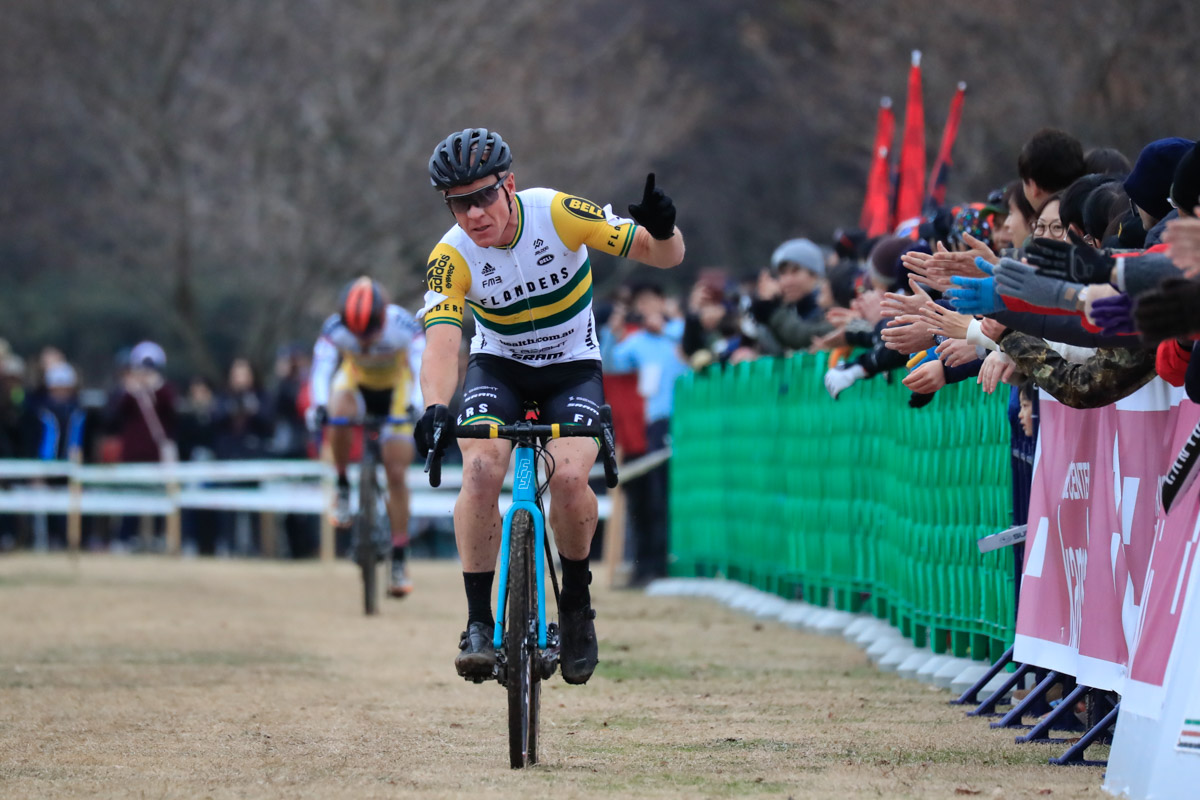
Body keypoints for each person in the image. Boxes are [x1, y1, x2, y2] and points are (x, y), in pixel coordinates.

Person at [414, 127, 684, 685]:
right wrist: (436, 406)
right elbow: (442, 342)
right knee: (482, 468)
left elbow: (664, 257)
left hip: (571, 365)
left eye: (483, 196)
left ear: (509, 185)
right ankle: (478, 623)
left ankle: (578, 605)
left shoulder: (558, 213)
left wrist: (664, 228)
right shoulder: (450, 256)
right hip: (500, 366)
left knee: (567, 478)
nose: (473, 214)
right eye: (458, 203)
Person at [307, 277, 424, 597]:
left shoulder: (403, 325)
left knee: (396, 473)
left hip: (396, 389)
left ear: (383, 317)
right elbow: (321, 370)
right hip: (356, 385)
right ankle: (343, 484)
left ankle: (400, 558)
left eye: (369, 332)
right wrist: (318, 407)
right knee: (337, 408)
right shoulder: (334, 329)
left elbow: (420, 364)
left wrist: (417, 405)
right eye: (356, 334)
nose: (364, 340)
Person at [601, 283, 688, 586]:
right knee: (646, 498)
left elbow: (692, 346)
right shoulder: (637, 342)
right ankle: (646, 566)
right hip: (648, 425)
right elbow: (612, 363)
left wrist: (667, 326)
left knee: (666, 497)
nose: (649, 308)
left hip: (680, 421)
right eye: (644, 303)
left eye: (653, 301)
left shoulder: (678, 332)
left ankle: (664, 562)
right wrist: (612, 333)